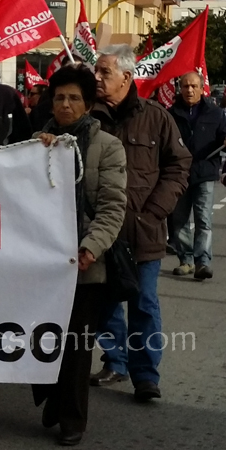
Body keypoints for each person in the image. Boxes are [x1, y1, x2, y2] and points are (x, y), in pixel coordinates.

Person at [89, 45, 191, 401]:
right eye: (96, 71)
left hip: (143, 230)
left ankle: (145, 375)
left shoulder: (156, 117)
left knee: (144, 303)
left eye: (104, 72)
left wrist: (155, 212)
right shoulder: (88, 117)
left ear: (126, 77)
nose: (96, 77)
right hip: (98, 233)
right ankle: (115, 361)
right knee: (104, 303)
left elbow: (179, 165)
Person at [32, 65, 127, 447]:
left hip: (84, 265)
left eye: (74, 98)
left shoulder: (107, 146)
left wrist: (90, 248)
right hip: (40, 263)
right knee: (42, 339)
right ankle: (53, 398)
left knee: (75, 347)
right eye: (59, 97)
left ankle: (72, 419)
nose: (65, 104)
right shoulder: (35, 144)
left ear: (87, 105)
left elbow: (112, 206)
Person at [167, 72, 226, 280]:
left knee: (203, 219)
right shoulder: (171, 114)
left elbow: (222, 137)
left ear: (202, 89)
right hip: (179, 174)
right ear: (180, 89)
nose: (189, 90)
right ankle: (186, 260)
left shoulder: (215, 113)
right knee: (179, 220)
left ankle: (203, 262)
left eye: (193, 86)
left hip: (204, 173)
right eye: (185, 86)